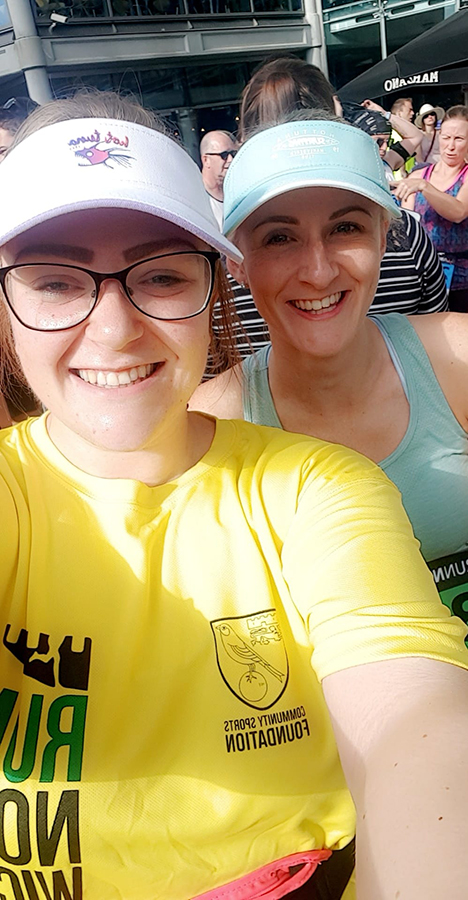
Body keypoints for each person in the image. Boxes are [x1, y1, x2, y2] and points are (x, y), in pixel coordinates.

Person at [1, 93, 468, 900]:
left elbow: (412, 729)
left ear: (212, 290)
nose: (113, 330)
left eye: (161, 276)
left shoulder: (318, 484)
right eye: (53, 282)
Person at [191, 110, 468, 611]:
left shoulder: (459, 359)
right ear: (237, 261)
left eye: (345, 228)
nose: (318, 272)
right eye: (279, 237)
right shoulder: (211, 424)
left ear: (384, 238)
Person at [395, 105, 468, 312]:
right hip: (424, 277)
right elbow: (405, 228)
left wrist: (425, 188)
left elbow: (459, 211)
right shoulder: (418, 176)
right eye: (446, 138)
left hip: (461, 280)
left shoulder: (463, 176)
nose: (450, 146)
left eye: (459, 139)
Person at [200, 129, 238, 229]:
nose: (231, 160)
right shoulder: (196, 200)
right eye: (224, 155)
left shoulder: (239, 194)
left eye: (233, 154)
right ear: (206, 160)